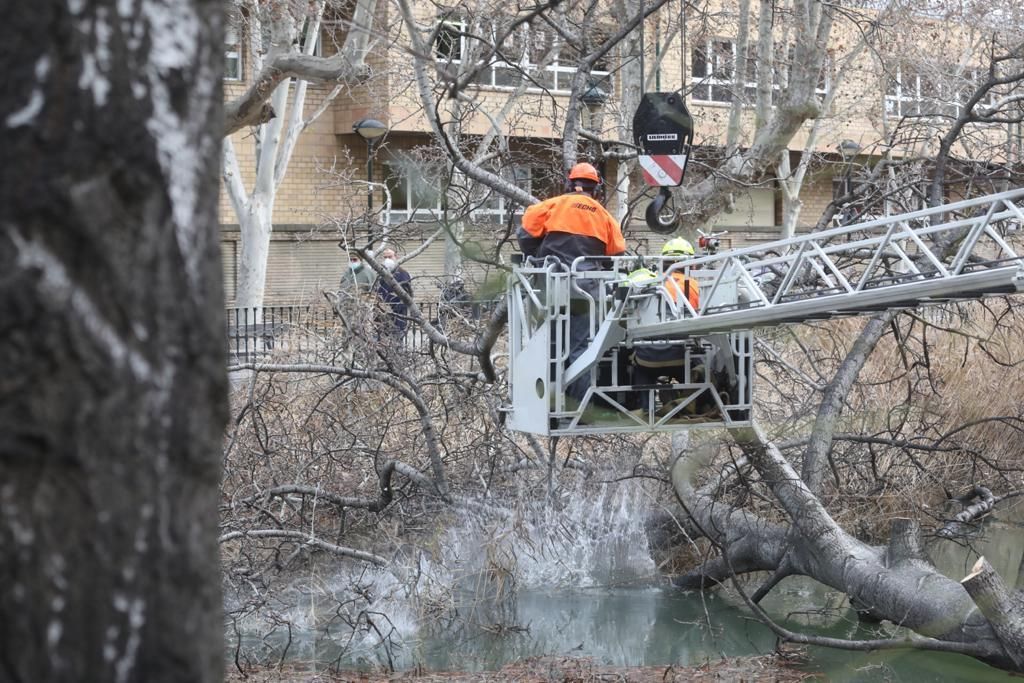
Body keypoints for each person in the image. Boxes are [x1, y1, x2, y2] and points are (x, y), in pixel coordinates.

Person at [517, 162, 626, 410]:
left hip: (552, 287)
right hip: (588, 292)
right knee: (581, 350)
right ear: (596, 189)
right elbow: (616, 256)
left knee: (548, 345)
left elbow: (525, 236)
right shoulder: (604, 216)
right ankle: (578, 407)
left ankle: (545, 403)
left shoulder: (551, 206)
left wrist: (539, 258)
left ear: (569, 183)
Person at [630, 238, 704, 415]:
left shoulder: (648, 283)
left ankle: (644, 408)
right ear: (690, 264)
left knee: (636, 364)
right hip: (679, 357)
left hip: (646, 358)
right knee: (699, 364)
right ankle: (696, 404)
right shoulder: (693, 286)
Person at [374, 248, 414, 341]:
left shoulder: (403, 274)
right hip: (381, 317)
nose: (387, 259)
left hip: (398, 317)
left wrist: (392, 309)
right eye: (385, 257)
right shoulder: (380, 274)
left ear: (396, 257)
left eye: (390, 257)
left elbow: (406, 296)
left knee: (397, 343)